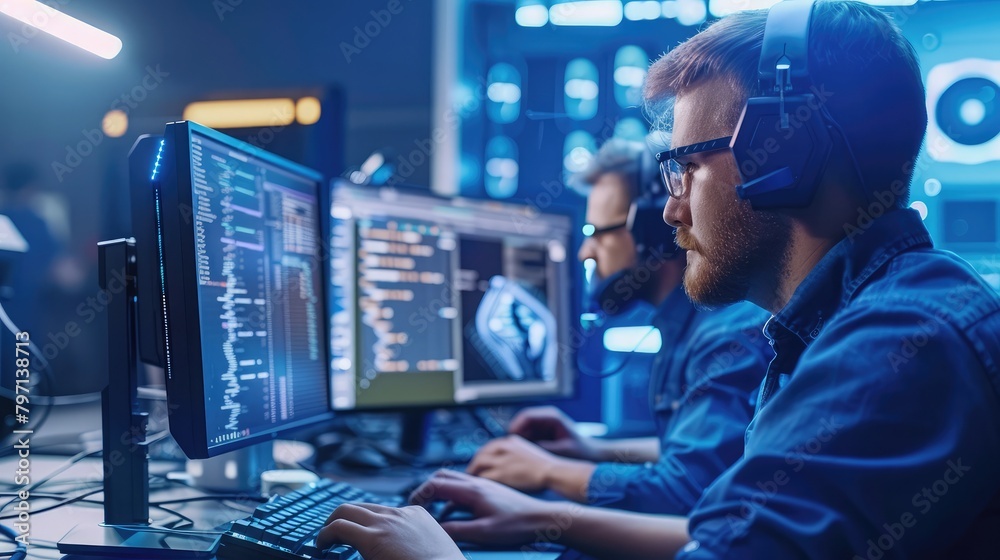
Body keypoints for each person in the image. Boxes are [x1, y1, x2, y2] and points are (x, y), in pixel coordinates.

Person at [317, 2, 1000, 558]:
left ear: (787, 152)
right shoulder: (845, 333)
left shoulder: (898, 349)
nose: (671, 207)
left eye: (686, 167)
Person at [465, 139, 771, 514]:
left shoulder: (726, 334)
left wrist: (548, 472)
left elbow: (689, 487)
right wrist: (592, 450)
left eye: (598, 232)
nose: (585, 251)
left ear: (649, 234)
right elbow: (701, 448)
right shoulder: (692, 324)